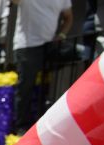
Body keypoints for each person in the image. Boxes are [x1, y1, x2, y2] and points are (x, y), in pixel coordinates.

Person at [11, 0, 73, 134]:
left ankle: (46, 120)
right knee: (25, 87)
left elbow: (69, 17)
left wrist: (61, 35)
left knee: (46, 86)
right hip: (27, 46)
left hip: (50, 45)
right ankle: (21, 126)